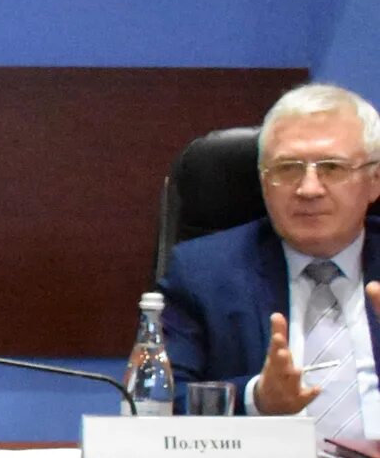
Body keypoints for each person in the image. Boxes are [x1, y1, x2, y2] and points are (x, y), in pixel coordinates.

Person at [162, 80, 380, 435]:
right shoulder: (202, 273)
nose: (309, 189)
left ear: (374, 180)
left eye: (332, 168)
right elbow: (158, 405)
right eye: (287, 169)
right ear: (264, 183)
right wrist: (257, 399)